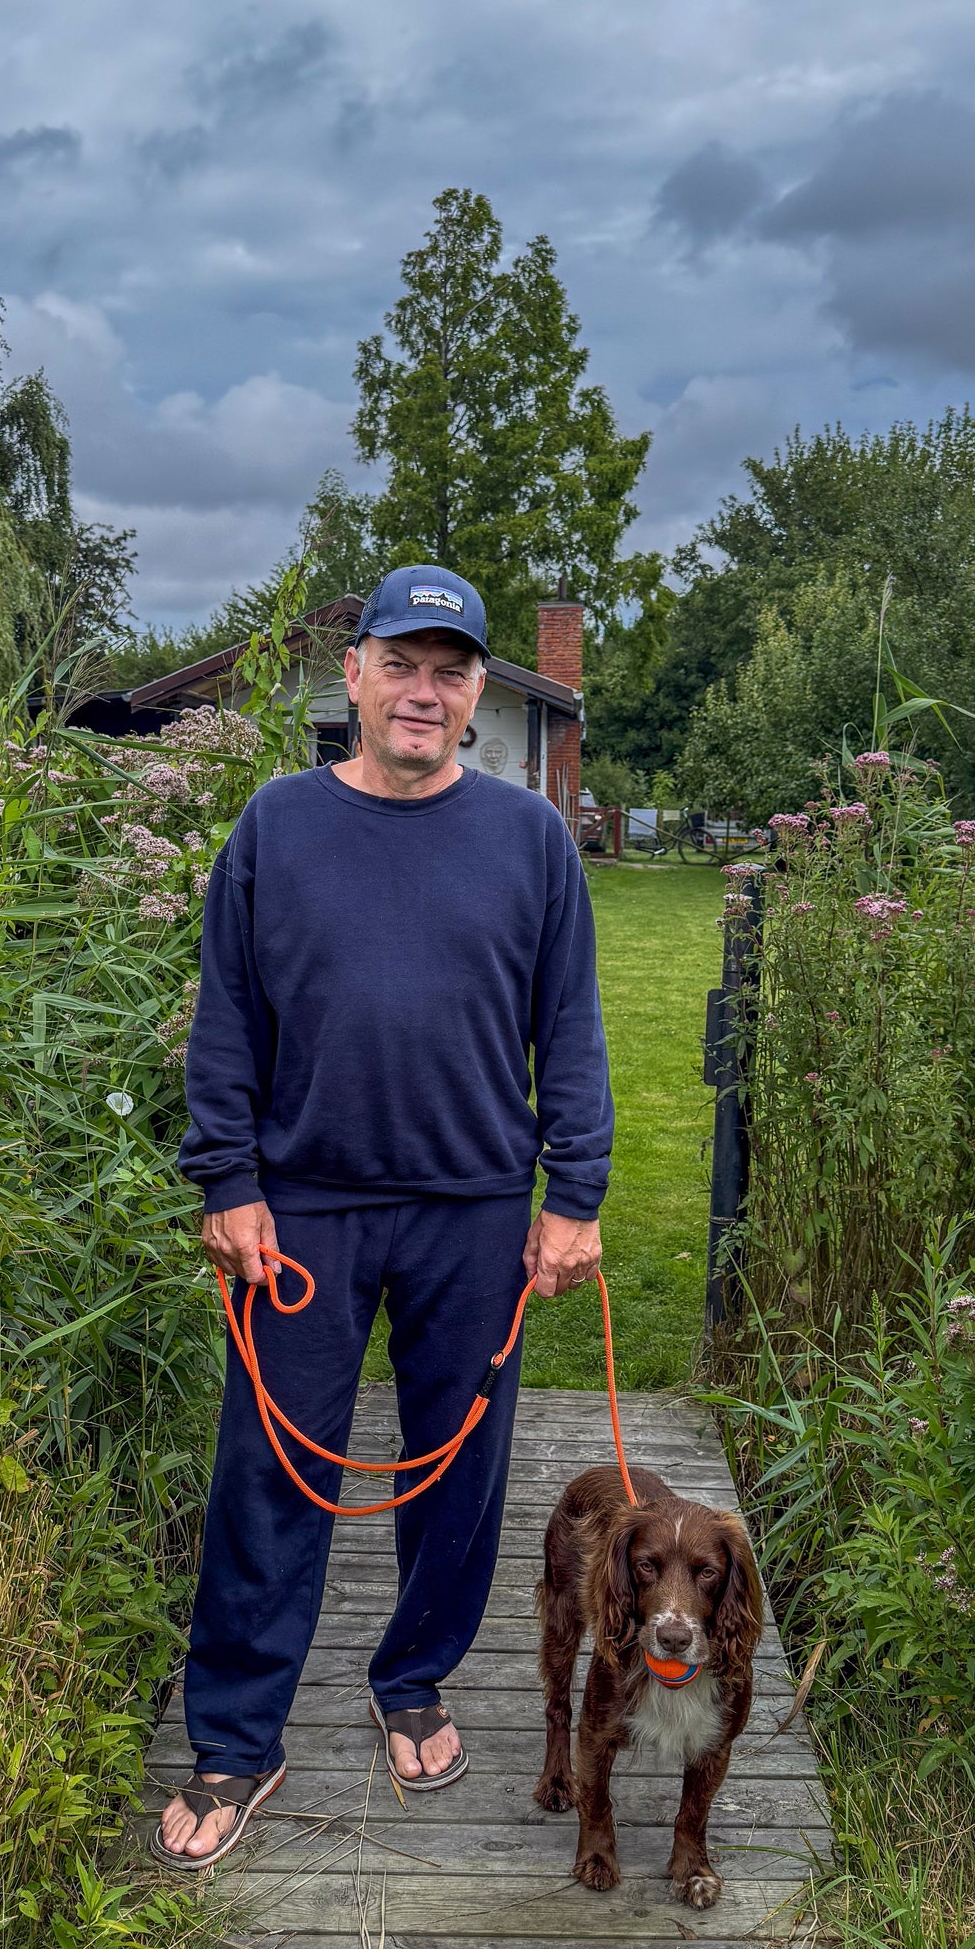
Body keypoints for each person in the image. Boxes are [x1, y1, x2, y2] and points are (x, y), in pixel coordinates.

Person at [154, 563, 614, 1869]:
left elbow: (570, 1027)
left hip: (474, 1207)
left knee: (458, 1466)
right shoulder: (276, 825)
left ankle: (413, 1676)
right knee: (268, 1472)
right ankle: (237, 1736)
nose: (423, 691)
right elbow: (227, 1018)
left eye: (448, 672)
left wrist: (574, 1195)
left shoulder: (528, 839)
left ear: (475, 695)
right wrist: (228, 1181)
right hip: (302, 1209)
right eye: (399, 665)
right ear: (352, 675)